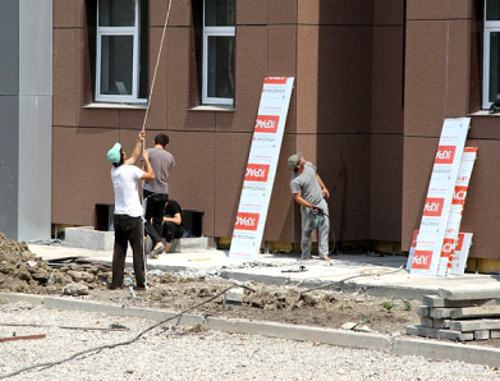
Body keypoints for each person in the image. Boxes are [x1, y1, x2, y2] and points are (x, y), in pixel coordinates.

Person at [106, 132, 155, 290]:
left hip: (119, 217)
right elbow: (151, 176)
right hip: (133, 217)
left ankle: (116, 283)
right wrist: (147, 159)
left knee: (119, 252)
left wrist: (139, 142)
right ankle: (141, 284)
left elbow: (133, 157)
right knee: (138, 251)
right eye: (122, 151)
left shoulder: (115, 171)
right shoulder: (130, 170)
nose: (124, 151)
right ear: (121, 156)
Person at [288, 152, 330, 260]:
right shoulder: (295, 181)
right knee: (307, 230)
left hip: (320, 201)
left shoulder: (309, 165)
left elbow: (316, 175)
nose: (303, 158)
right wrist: (310, 206)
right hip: (308, 207)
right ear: (298, 165)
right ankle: (306, 255)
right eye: (300, 158)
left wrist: (323, 188)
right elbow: (297, 197)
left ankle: (323, 254)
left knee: (324, 226)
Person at [143, 133, 176, 256]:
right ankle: (155, 250)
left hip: (150, 190)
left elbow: (143, 165)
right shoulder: (170, 157)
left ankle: (157, 242)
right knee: (158, 221)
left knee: (143, 219)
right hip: (164, 192)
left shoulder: (148, 152)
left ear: (154, 141)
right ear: (166, 144)